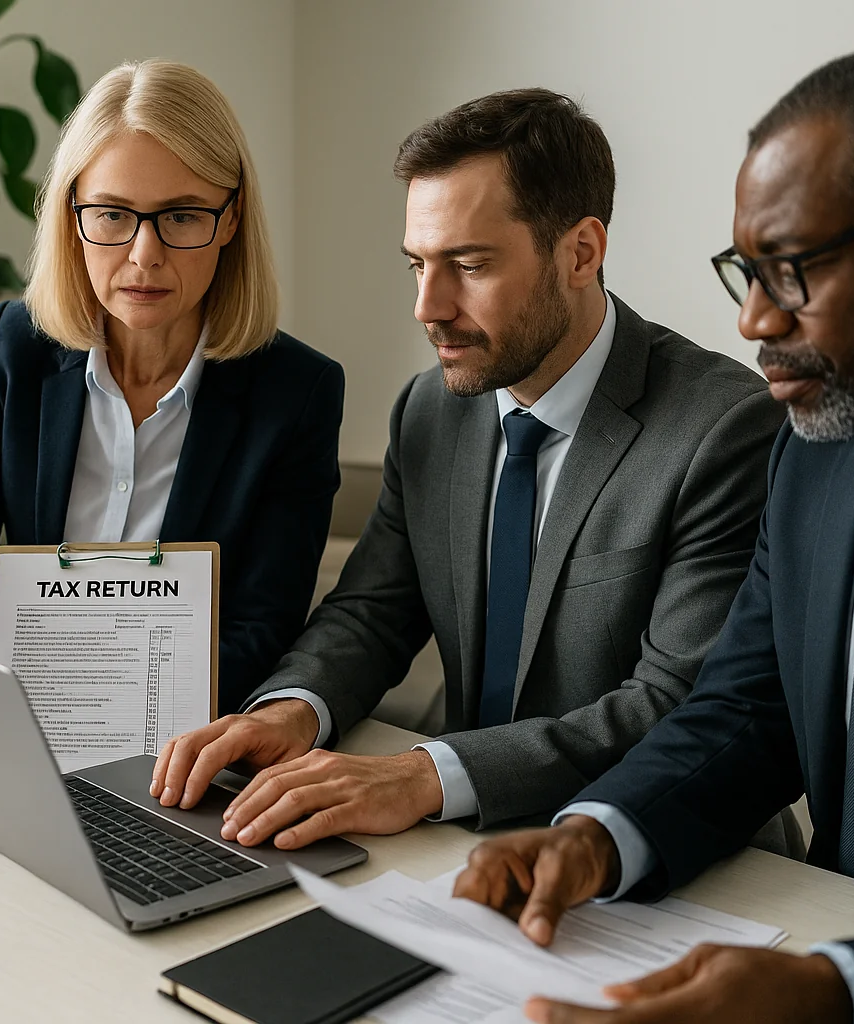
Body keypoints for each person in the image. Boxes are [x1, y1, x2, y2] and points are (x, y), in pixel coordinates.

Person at [454, 45, 854, 1024]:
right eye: (745, 271)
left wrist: (841, 992)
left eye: (794, 269)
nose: (755, 321)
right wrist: (600, 835)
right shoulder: (818, 449)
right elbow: (749, 708)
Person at [151, 89, 786, 849]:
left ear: (582, 252)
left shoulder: (722, 429)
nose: (428, 305)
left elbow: (672, 706)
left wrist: (422, 775)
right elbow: (371, 613)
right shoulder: (431, 409)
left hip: (655, 850)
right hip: (460, 840)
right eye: (418, 264)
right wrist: (289, 710)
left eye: (469, 264)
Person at [0, 60, 344, 711]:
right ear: (73, 218)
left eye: (181, 217)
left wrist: (97, 696)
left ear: (230, 220)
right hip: (26, 727)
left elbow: (263, 631)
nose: (144, 254)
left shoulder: (297, 392)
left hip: (187, 737)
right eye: (113, 214)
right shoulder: (18, 346)